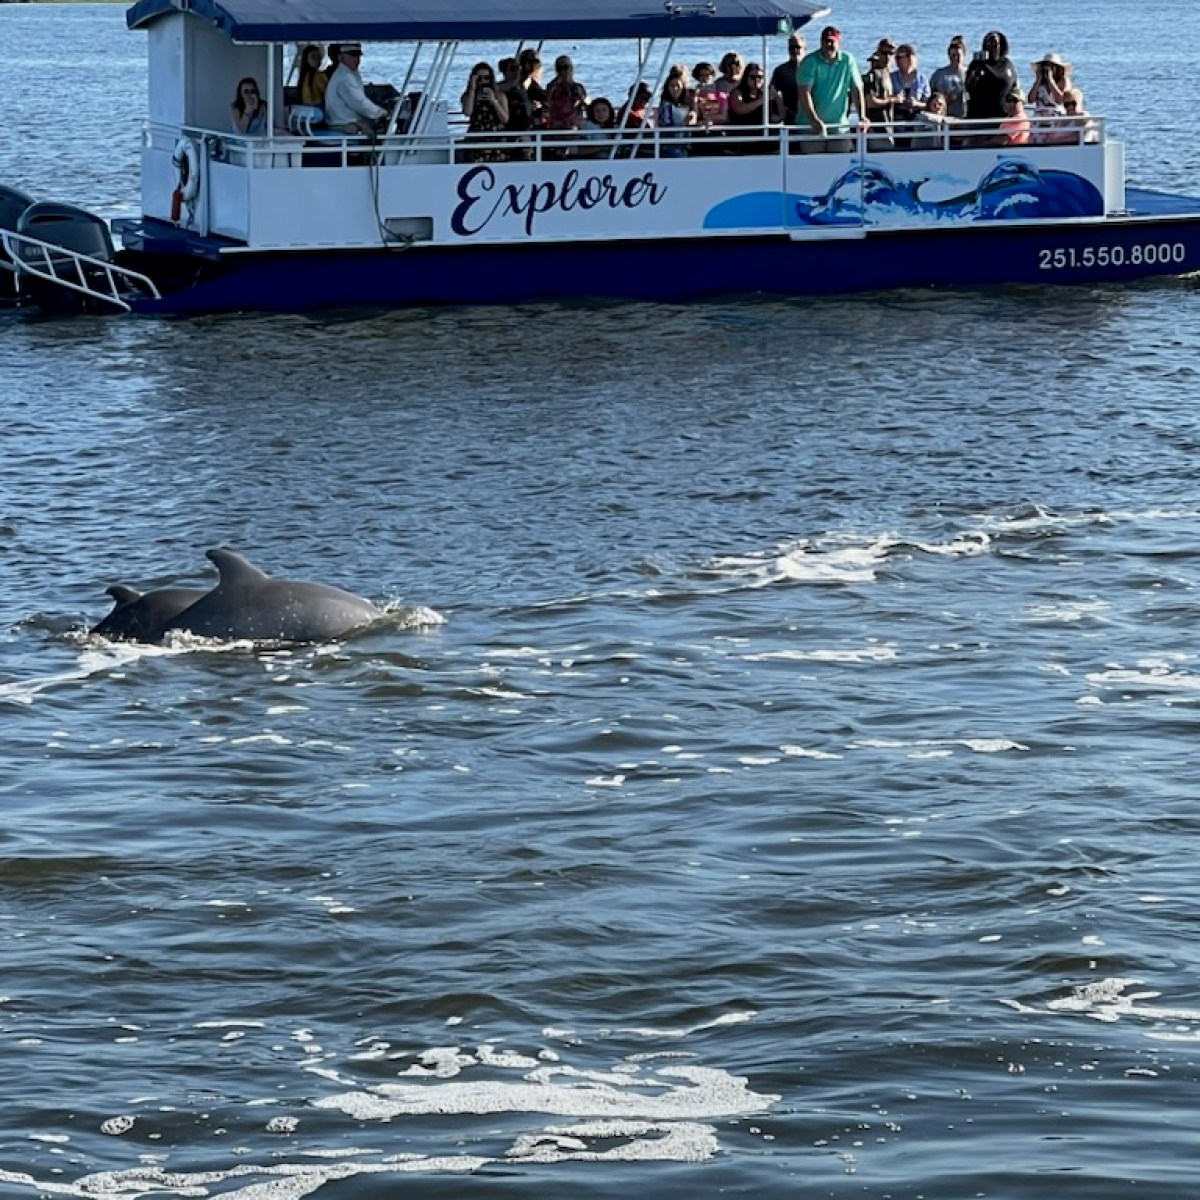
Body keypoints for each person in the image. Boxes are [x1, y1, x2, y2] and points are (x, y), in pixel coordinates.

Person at [795, 26, 868, 153]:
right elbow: (804, 93)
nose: (828, 45)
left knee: (841, 161)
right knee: (813, 160)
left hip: (839, 125)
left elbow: (856, 89)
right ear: (821, 42)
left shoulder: (847, 60)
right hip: (810, 125)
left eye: (832, 41)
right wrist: (814, 120)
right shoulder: (809, 62)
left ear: (838, 42)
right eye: (825, 41)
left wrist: (862, 116)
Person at [325, 43, 387, 134]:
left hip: (347, 120)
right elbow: (360, 103)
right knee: (374, 133)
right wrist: (382, 113)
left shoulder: (350, 72)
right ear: (341, 57)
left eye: (358, 55)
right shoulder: (344, 77)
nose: (357, 59)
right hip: (343, 123)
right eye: (352, 55)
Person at [964, 30, 1018, 123]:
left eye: (995, 42)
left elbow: (1014, 88)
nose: (992, 45)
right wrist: (975, 75)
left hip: (1003, 117)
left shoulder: (1007, 64)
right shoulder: (977, 63)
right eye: (989, 42)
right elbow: (968, 87)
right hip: (979, 117)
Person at [460, 61, 509, 162]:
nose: (483, 81)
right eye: (479, 78)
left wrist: (494, 101)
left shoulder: (500, 96)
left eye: (486, 78)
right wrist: (472, 90)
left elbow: (505, 119)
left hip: (495, 138)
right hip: (476, 138)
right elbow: (467, 112)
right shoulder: (468, 96)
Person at [727, 62, 777, 153]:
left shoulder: (765, 93)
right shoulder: (737, 92)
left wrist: (777, 98)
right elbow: (739, 109)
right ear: (746, 77)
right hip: (742, 133)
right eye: (753, 77)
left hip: (762, 133)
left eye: (760, 77)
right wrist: (762, 100)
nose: (757, 80)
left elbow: (776, 117)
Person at [545, 55, 587, 153]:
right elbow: (547, 100)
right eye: (559, 68)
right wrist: (557, 82)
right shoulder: (552, 86)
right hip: (557, 127)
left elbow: (585, 104)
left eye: (565, 67)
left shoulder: (578, 87)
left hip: (574, 126)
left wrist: (580, 97)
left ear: (571, 68)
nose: (563, 71)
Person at [862, 40, 896, 148]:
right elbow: (870, 102)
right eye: (884, 53)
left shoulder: (887, 74)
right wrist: (892, 100)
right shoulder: (873, 75)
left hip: (887, 126)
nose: (887, 57)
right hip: (876, 128)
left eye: (891, 53)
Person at [656, 69, 696, 157]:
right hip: (670, 146)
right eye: (672, 86)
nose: (675, 89)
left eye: (677, 85)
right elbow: (666, 127)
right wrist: (683, 123)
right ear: (667, 87)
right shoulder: (666, 105)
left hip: (684, 143)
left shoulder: (684, 105)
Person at [890, 44, 930, 127]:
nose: (897, 60)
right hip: (897, 118)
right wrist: (895, 99)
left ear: (910, 58)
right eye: (896, 57)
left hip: (917, 117)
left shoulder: (922, 79)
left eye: (900, 57)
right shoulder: (891, 77)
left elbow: (928, 104)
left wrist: (916, 103)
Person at [770, 34, 806, 126]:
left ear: (805, 49)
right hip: (790, 120)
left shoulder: (812, 69)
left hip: (810, 118)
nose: (795, 50)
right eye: (792, 48)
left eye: (798, 47)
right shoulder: (781, 71)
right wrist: (779, 113)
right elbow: (772, 94)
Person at [929, 35, 968, 118]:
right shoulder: (939, 74)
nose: (955, 58)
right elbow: (930, 98)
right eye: (953, 55)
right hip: (945, 117)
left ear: (964, 55)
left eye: (958, 55)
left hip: (966, 117)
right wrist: (944, 98)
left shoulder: (970, 73)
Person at [518, 48, 548, 129]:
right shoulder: (521, 83)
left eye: (536, 62)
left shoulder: (534, 83)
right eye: (530, 61)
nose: (533, 65)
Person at [693, 61, 727, 126]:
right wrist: (695, 98)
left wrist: (708, 118)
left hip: (718, 128)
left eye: (707, 75)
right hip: (699, 127)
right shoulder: (695, 95)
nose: (704, 78)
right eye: (701, 75)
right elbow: (695, 115)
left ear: (712, 75)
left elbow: (723, 116)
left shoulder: (720, 95)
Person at [297, 44, 328, 109]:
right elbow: (329, 94)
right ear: (306, 59)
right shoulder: (318, 75)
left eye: (319, 57)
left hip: (306, 110)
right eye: (313, 57)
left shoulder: (304, 76)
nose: (317, 59)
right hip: (318, 110)